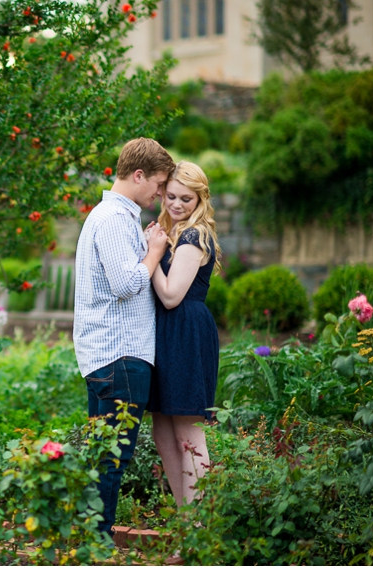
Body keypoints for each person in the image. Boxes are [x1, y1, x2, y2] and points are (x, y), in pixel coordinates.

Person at [73, 137, 175, 540]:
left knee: (103, 454)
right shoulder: (114, 219)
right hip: (120, 355)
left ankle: (87, 537)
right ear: (138, 175)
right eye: (159, 183)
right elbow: (127, 283)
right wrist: (152, 251)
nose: (161, 193)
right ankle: (97, 543)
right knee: (113, 456)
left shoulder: (112, 217)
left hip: (107, 354)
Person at [146, 161, 222, 508]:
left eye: (186, 199)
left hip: (187, 333)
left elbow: (171, 295)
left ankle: (197, 531)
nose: (176, 205)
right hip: (165, 334)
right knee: (162, 431)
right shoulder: (172, 230)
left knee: (188, 434)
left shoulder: (195, 235)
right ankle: (185, 521)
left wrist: (152, 255)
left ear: (200, 200)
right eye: (171, 196)